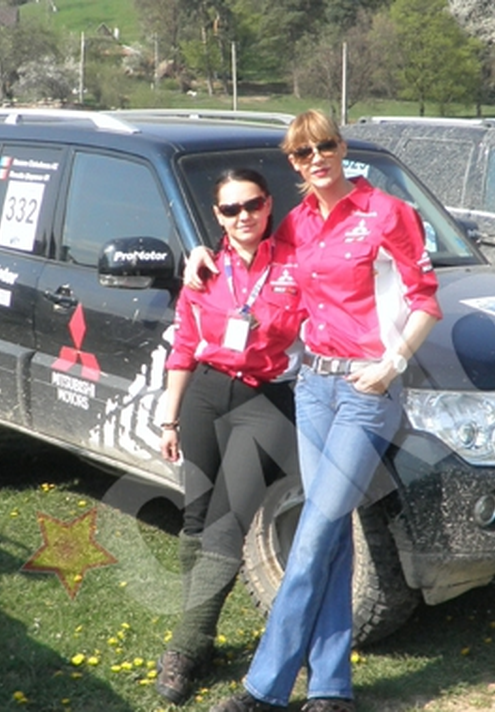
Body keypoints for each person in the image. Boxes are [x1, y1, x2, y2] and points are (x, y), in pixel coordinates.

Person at [194, 111, 442, 712]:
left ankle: (264, 688)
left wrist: (391, 366)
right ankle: (331, 688)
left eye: (324, 145)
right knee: (331, 536)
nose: (316, 159)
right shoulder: (297, 224)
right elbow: (254, 262)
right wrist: (200, 254)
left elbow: (425, 301)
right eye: (302, 153)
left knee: (312, 536)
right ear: (294, 163)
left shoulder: (386, 213)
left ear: (341, 146)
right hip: (313, 387)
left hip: (366, 392)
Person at [153, 168, 303, 705]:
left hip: (268, 401)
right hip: (206, 393)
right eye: (232, 209)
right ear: (217, 216)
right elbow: (184, 345)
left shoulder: (295, 264)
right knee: (196, 517)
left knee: (224, 525)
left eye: (253, 205)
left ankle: (184, 648)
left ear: (269, 205)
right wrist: (170, 417)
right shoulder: (205, 270)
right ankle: (201, 636)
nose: (244, 216)